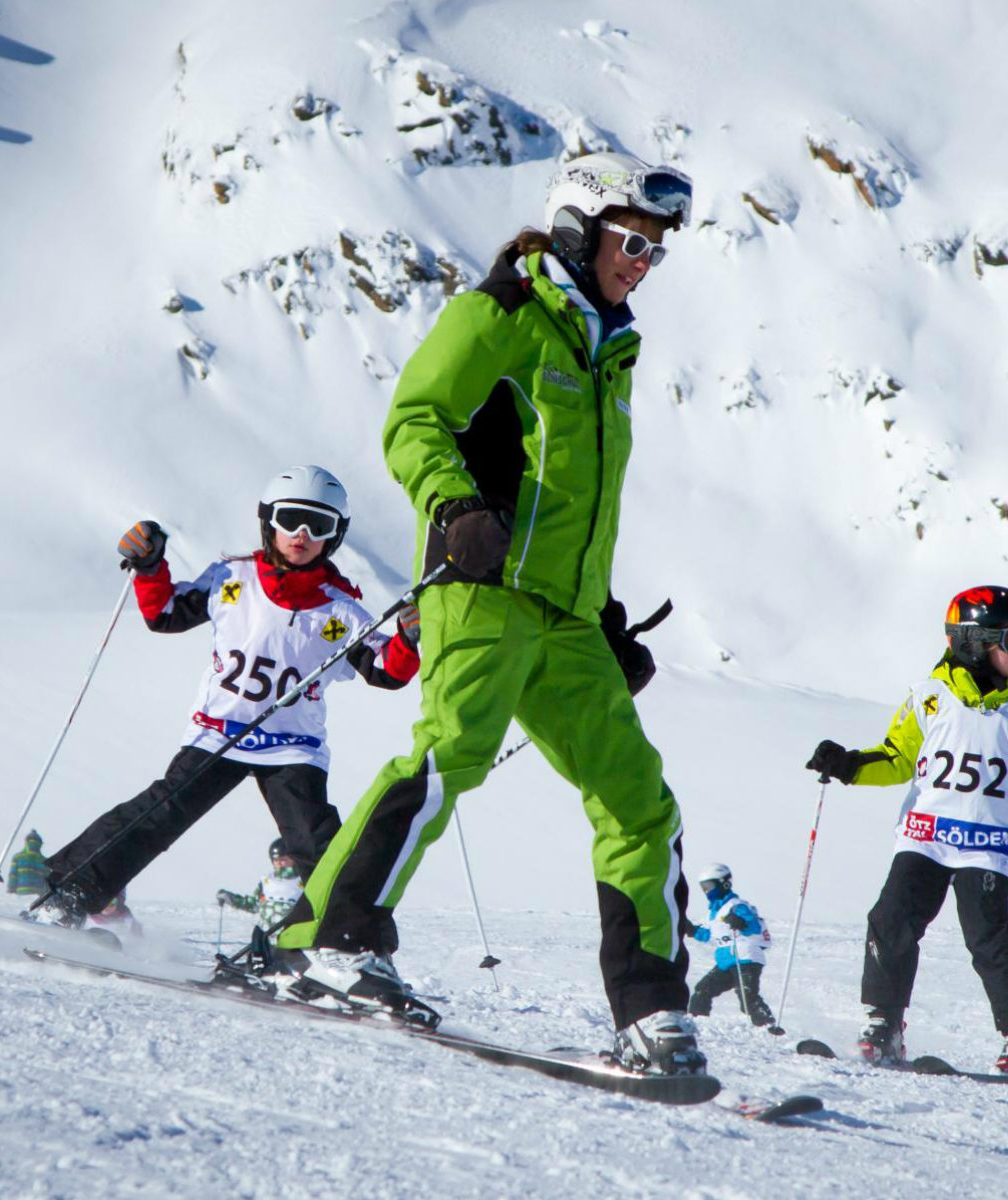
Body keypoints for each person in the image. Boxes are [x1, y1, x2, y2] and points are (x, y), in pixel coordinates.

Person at [267, 153, 701, 1078]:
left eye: (655, 251)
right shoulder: (500, 315)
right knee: (446, 758)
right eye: (631, 241)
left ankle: (652, 1011)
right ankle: (327, 941)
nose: (641, 263)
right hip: (482, 588)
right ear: (581, 229)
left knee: (640, 805)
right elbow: (414, 418)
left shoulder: (609, 346)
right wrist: (457, 510)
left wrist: (608, 618)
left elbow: (579, 503)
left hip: (568, 617)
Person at [29, 467, 419, 928]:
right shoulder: (232, 577)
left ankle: (339, 940)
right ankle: (68, 896)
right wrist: (151, 566)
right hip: (220, 732)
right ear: (268, 522)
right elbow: (166, 614)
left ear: (335, 537)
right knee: (161, 814)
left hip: (292, 746)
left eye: (319, 525)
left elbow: (385, 672)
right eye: (291, 518)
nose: (302, 534)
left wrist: (409, 639)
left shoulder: (342, 609)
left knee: (318, 845)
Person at [805, 585, 1008, 1078]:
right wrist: (848, 765)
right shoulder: (929, 699)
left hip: (986, 845)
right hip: (925, 836)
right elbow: (895, 758)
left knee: (988, 936)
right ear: (974, 640)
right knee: (891, 920)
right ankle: (884, 1024)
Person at [685, 863, 775, 1027]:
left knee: (747, 999)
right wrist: (690, 929)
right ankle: (696, 1026)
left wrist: (741, 921)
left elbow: (754, 926)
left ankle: (770, 1027)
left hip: (745, 958)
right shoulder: (714, 912)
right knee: (702, 990)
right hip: (727, 962)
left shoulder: (736, 905)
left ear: (724, 883)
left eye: (710, 886)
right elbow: (709, 935)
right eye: (703, 887)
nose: (707, 891)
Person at [219, 839, 305, 932]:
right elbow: (253, 905)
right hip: (266, 938)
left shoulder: (303, 881)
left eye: (283, 859)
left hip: (293, 939)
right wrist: (230, 898)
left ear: (294, 859)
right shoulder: (267, 881)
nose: (279, 863)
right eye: (276, 860)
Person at [6, 830, 51, 897]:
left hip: (21, 893)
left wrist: (11, 890)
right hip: (38, 895)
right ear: (40, 844)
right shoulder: (45, 861)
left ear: (26, 843)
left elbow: (13, 876)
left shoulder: (17, 857)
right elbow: (48, 880)